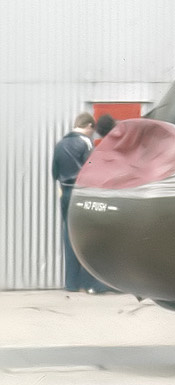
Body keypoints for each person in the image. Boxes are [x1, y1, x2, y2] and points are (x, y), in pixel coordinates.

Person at [51, 112, 106, 293]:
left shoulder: (60, 144)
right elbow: (92, 170)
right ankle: (91, 283)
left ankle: (71, 283)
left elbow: (54, 173)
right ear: (89, 126)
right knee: (87, 236)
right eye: (93, 130)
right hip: (81, 194)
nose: (93, 134)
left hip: (64, 193)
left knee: (68, 236)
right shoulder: (85, 142)